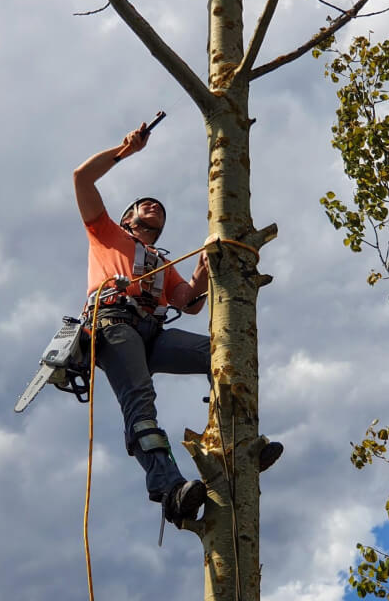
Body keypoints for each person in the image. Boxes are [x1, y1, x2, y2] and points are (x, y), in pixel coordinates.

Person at [73, 122, 282, 526]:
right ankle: (170, 491)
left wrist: (202, 273)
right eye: (145, 205)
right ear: (127, 217)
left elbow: (186, 303)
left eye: (159, 210)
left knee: (222, 352)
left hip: (150, 333)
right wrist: (124, 150)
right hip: (115, 326)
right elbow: (81, 177)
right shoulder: (106, 235)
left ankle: (235, 442)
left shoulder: (161, 265)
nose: (154, 209)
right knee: (141, 404)